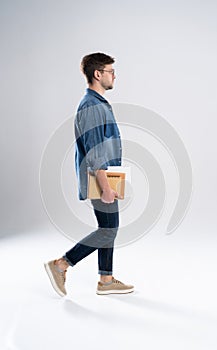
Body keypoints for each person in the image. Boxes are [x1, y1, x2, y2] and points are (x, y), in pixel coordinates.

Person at [44, 52, 134, 296]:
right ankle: (61, 264)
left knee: (108, 226)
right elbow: (95, 153)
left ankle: (106, 279)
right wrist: (105, 186)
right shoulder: (92, 106)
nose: (114, 75)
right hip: (99, 178)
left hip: (106, 176)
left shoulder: (97, 103)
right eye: (110, 71)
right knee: (108, 229)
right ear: (98, 74)